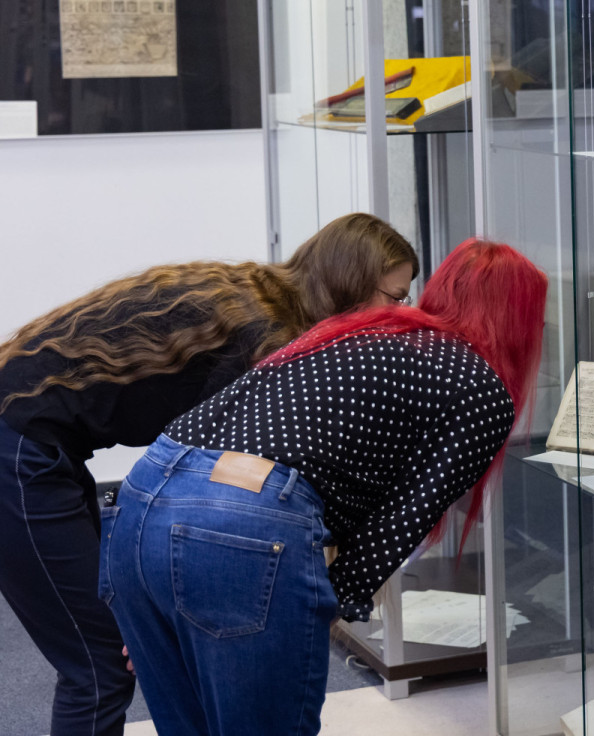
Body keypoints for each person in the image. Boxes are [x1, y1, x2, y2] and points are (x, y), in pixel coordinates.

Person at [100, 238, 546, 735]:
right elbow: (399, 524)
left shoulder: (359, 332)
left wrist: (157, 593)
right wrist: (320, 607)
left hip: (140, 500)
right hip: (239, 523)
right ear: (520, 320)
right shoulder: (481, 389)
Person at [0, 213, 417, 736]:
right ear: (350, 281)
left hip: (35, 437)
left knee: (110, 641)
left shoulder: (252, 293)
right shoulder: (267, 339)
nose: (401, 314)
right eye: (395, 297)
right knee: (99, 669)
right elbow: (211, 490)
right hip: (19, 446)